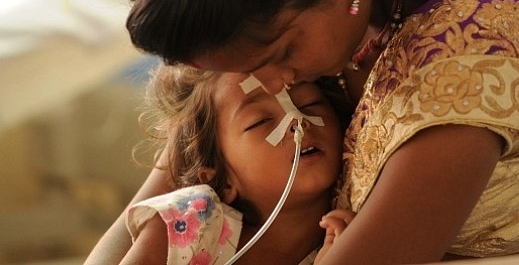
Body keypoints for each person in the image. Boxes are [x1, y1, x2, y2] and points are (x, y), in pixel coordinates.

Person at [87, 0, 519, 263]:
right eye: (244, 70)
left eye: (281, 52)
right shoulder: (301, 39)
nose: (274, 85)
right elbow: (120, 242)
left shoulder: (470, 61)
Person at [118, 63, 353, 264]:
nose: (298, 122)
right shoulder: (191, 223)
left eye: (309, 103)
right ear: (221, 180)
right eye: (260, 121)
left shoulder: (346, 234)